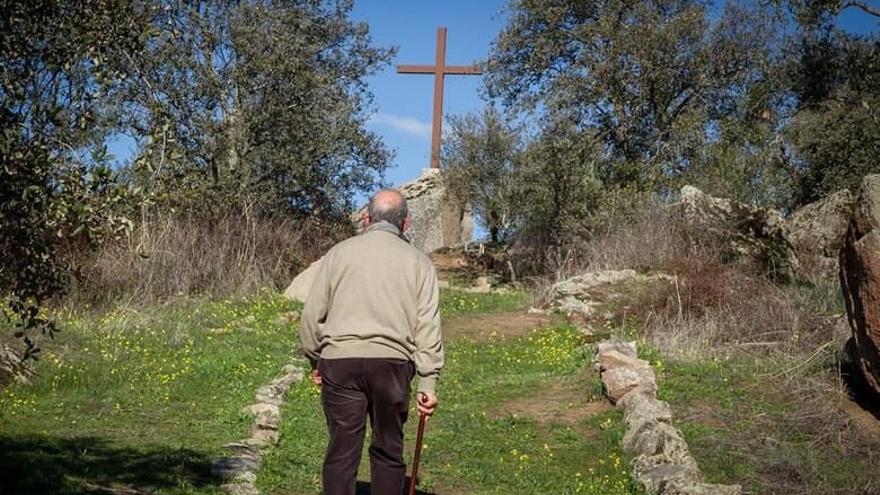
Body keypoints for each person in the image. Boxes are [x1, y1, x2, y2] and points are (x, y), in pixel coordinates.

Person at [299, 188, 444, 495]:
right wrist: (428, 383)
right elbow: (428, 325)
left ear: (366, 219)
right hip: (392, 364)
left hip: (340, 362)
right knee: (389, 449)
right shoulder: (419, 263)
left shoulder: (338, 254)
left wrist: (316, 360)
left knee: (341, 449)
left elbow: (311, 315)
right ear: (405, 224)